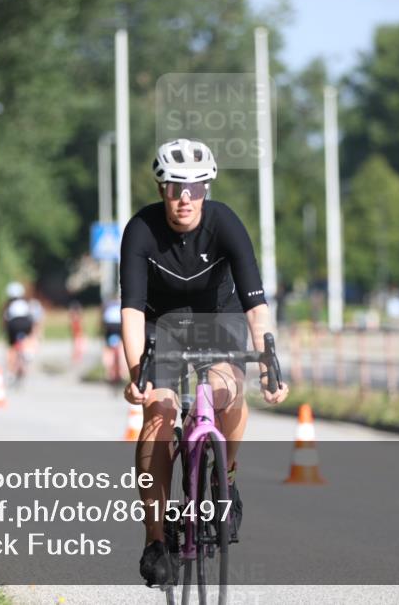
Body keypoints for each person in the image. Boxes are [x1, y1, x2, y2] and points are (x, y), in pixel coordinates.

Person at [119, 138, 289, 587]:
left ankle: (224, 481)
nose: (184, 198)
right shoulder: (141, 229)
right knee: (158, 414)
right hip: (163, 325)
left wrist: (269, 360)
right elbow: (132, 311)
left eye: (194, 188)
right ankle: (156, 540)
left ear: (206, 189)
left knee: (229, 387)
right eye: (175, 187)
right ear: (162, 189)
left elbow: (255, 304)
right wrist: (138, 374)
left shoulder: (225, 223)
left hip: (221, 319)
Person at [2, 282, 34, 381]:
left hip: (14, 324)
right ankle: (27, 352)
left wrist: (5, 332)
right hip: (26, 323)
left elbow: (5, 319)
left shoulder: (8, 305)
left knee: (12, 348)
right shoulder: (26, 302)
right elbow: (31, 317)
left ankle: (11, 372)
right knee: (26, 339)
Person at [100, 295, 126, 388]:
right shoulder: (123, 304)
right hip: (119, 325)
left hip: (109, 326)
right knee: (122, 348)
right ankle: (122, 372)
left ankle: (109, 373)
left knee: (108, 349)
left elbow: (102, 322)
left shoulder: (107, 305)